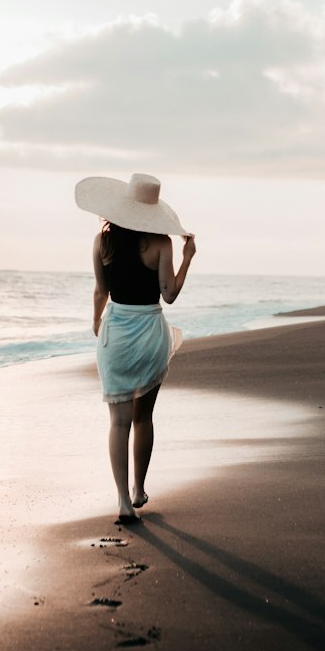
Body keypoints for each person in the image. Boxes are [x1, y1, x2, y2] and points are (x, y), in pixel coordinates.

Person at [75, 173, 197, 524]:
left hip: (115, 334)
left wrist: (97, 323)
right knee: (143, 418)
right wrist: (188, 257)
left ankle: (122, 503)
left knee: (118, 422)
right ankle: (138, 489)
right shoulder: (161, 243)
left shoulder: (103, 242)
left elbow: (101, 291)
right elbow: (169, 294)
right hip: (149, 334)